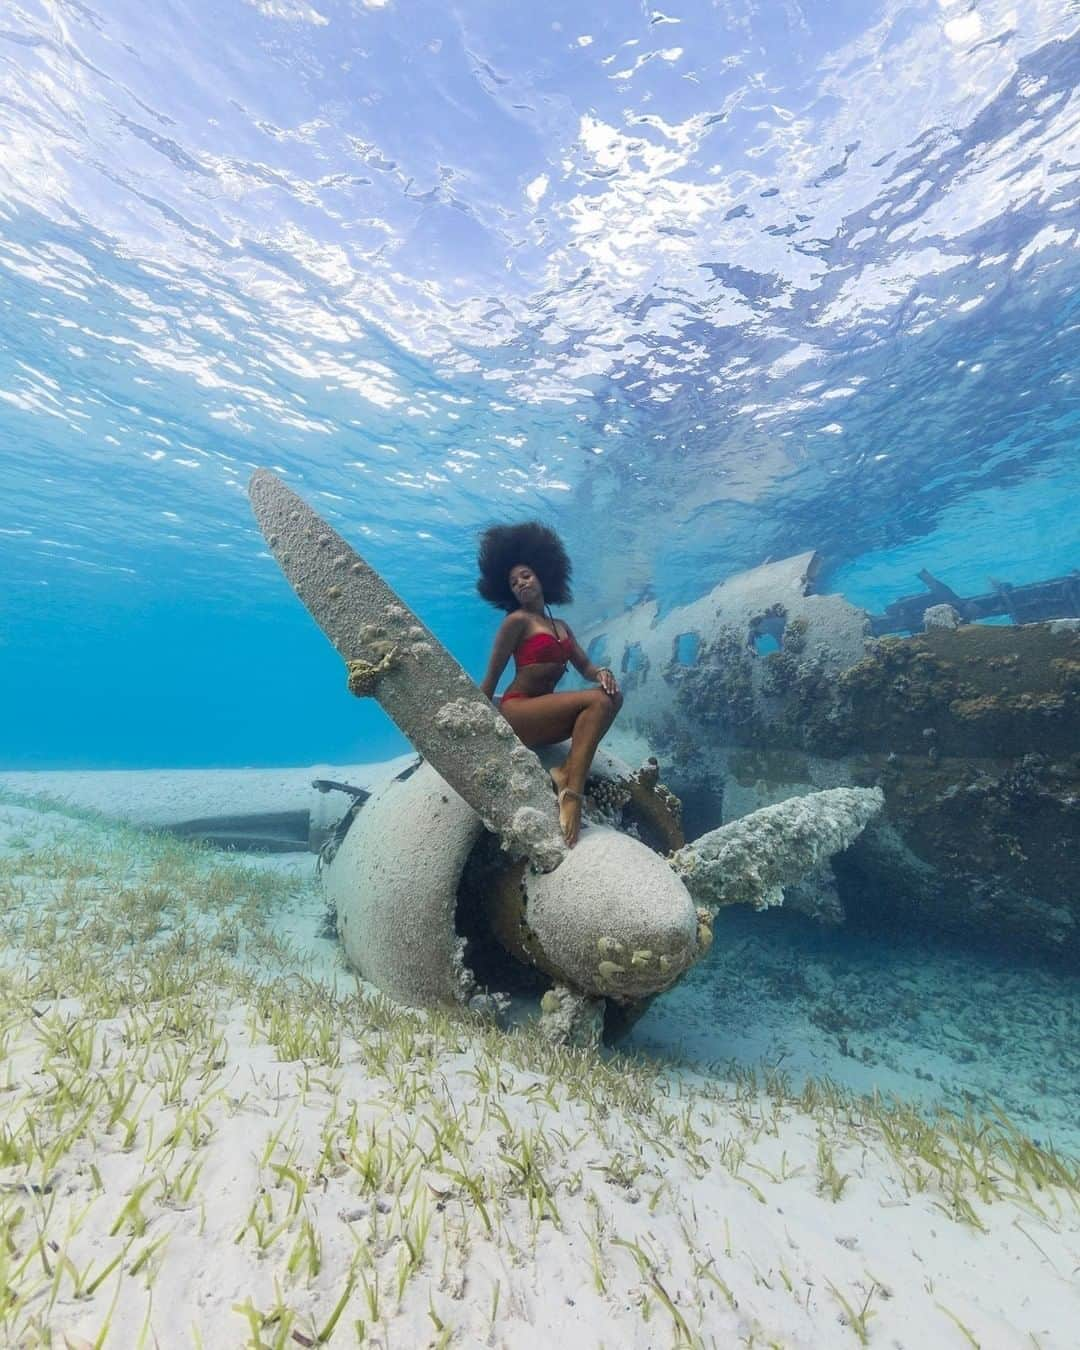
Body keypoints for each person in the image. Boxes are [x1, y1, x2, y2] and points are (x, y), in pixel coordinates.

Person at [477, 521, 622, 846]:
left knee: (612, 695)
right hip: (518, 712)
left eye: (525, 576)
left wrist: (602, 673)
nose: (520, 584)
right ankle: (572, 792)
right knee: (597, 702)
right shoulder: (516, 622)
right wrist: (477, 730)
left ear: (543, 575)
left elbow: (585, 666)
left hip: (544, 718)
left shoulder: (562, 626)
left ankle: (568, 770)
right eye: (513, 583)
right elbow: (492, 677)